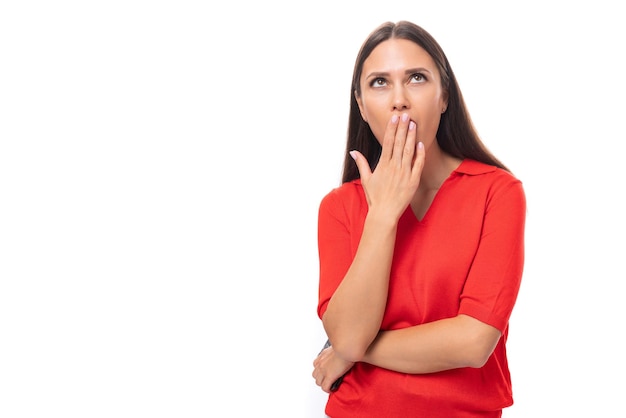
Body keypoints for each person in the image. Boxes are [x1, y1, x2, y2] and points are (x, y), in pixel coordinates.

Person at [311, 20, 526, 418]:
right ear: (360, 105)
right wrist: (383, 216)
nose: (399, 99)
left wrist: (351, 354)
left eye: (416, 78)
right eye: (379, 83)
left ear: (444, 95)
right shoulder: (339, 207)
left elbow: (474, 342)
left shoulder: (498, 192)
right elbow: (345, 334)